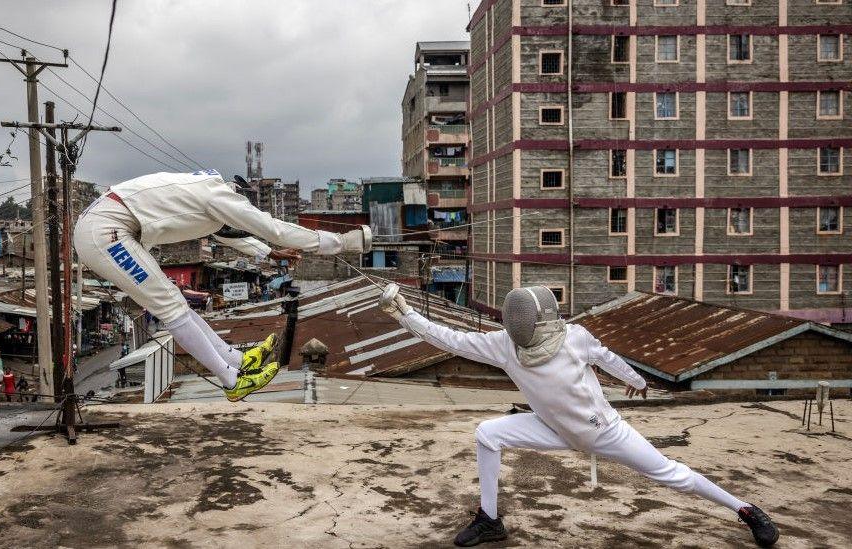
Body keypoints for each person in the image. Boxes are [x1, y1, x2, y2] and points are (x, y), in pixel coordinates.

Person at [378, 284, 779, 548]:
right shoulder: (504, 345)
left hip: (604, 433)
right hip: (552, 429)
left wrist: (636, 380)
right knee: (488, 433)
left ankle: (744, 508)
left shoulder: (575, 337)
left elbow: (607, 357)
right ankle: (490, 519)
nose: (516, 326)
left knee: (672, 474)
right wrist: (404, 313)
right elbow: (447, 337)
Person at [74, 170, 371, 401]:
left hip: (108, 224)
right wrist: (340, 242)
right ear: (238, 196)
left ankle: (238, 361)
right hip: (106, 233)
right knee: (171, 307)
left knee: (174, 303)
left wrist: (268, 252)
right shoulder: (221, 197)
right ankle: (232, 381)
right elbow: (273, 229)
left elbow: (226, 233)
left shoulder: (206, 190)